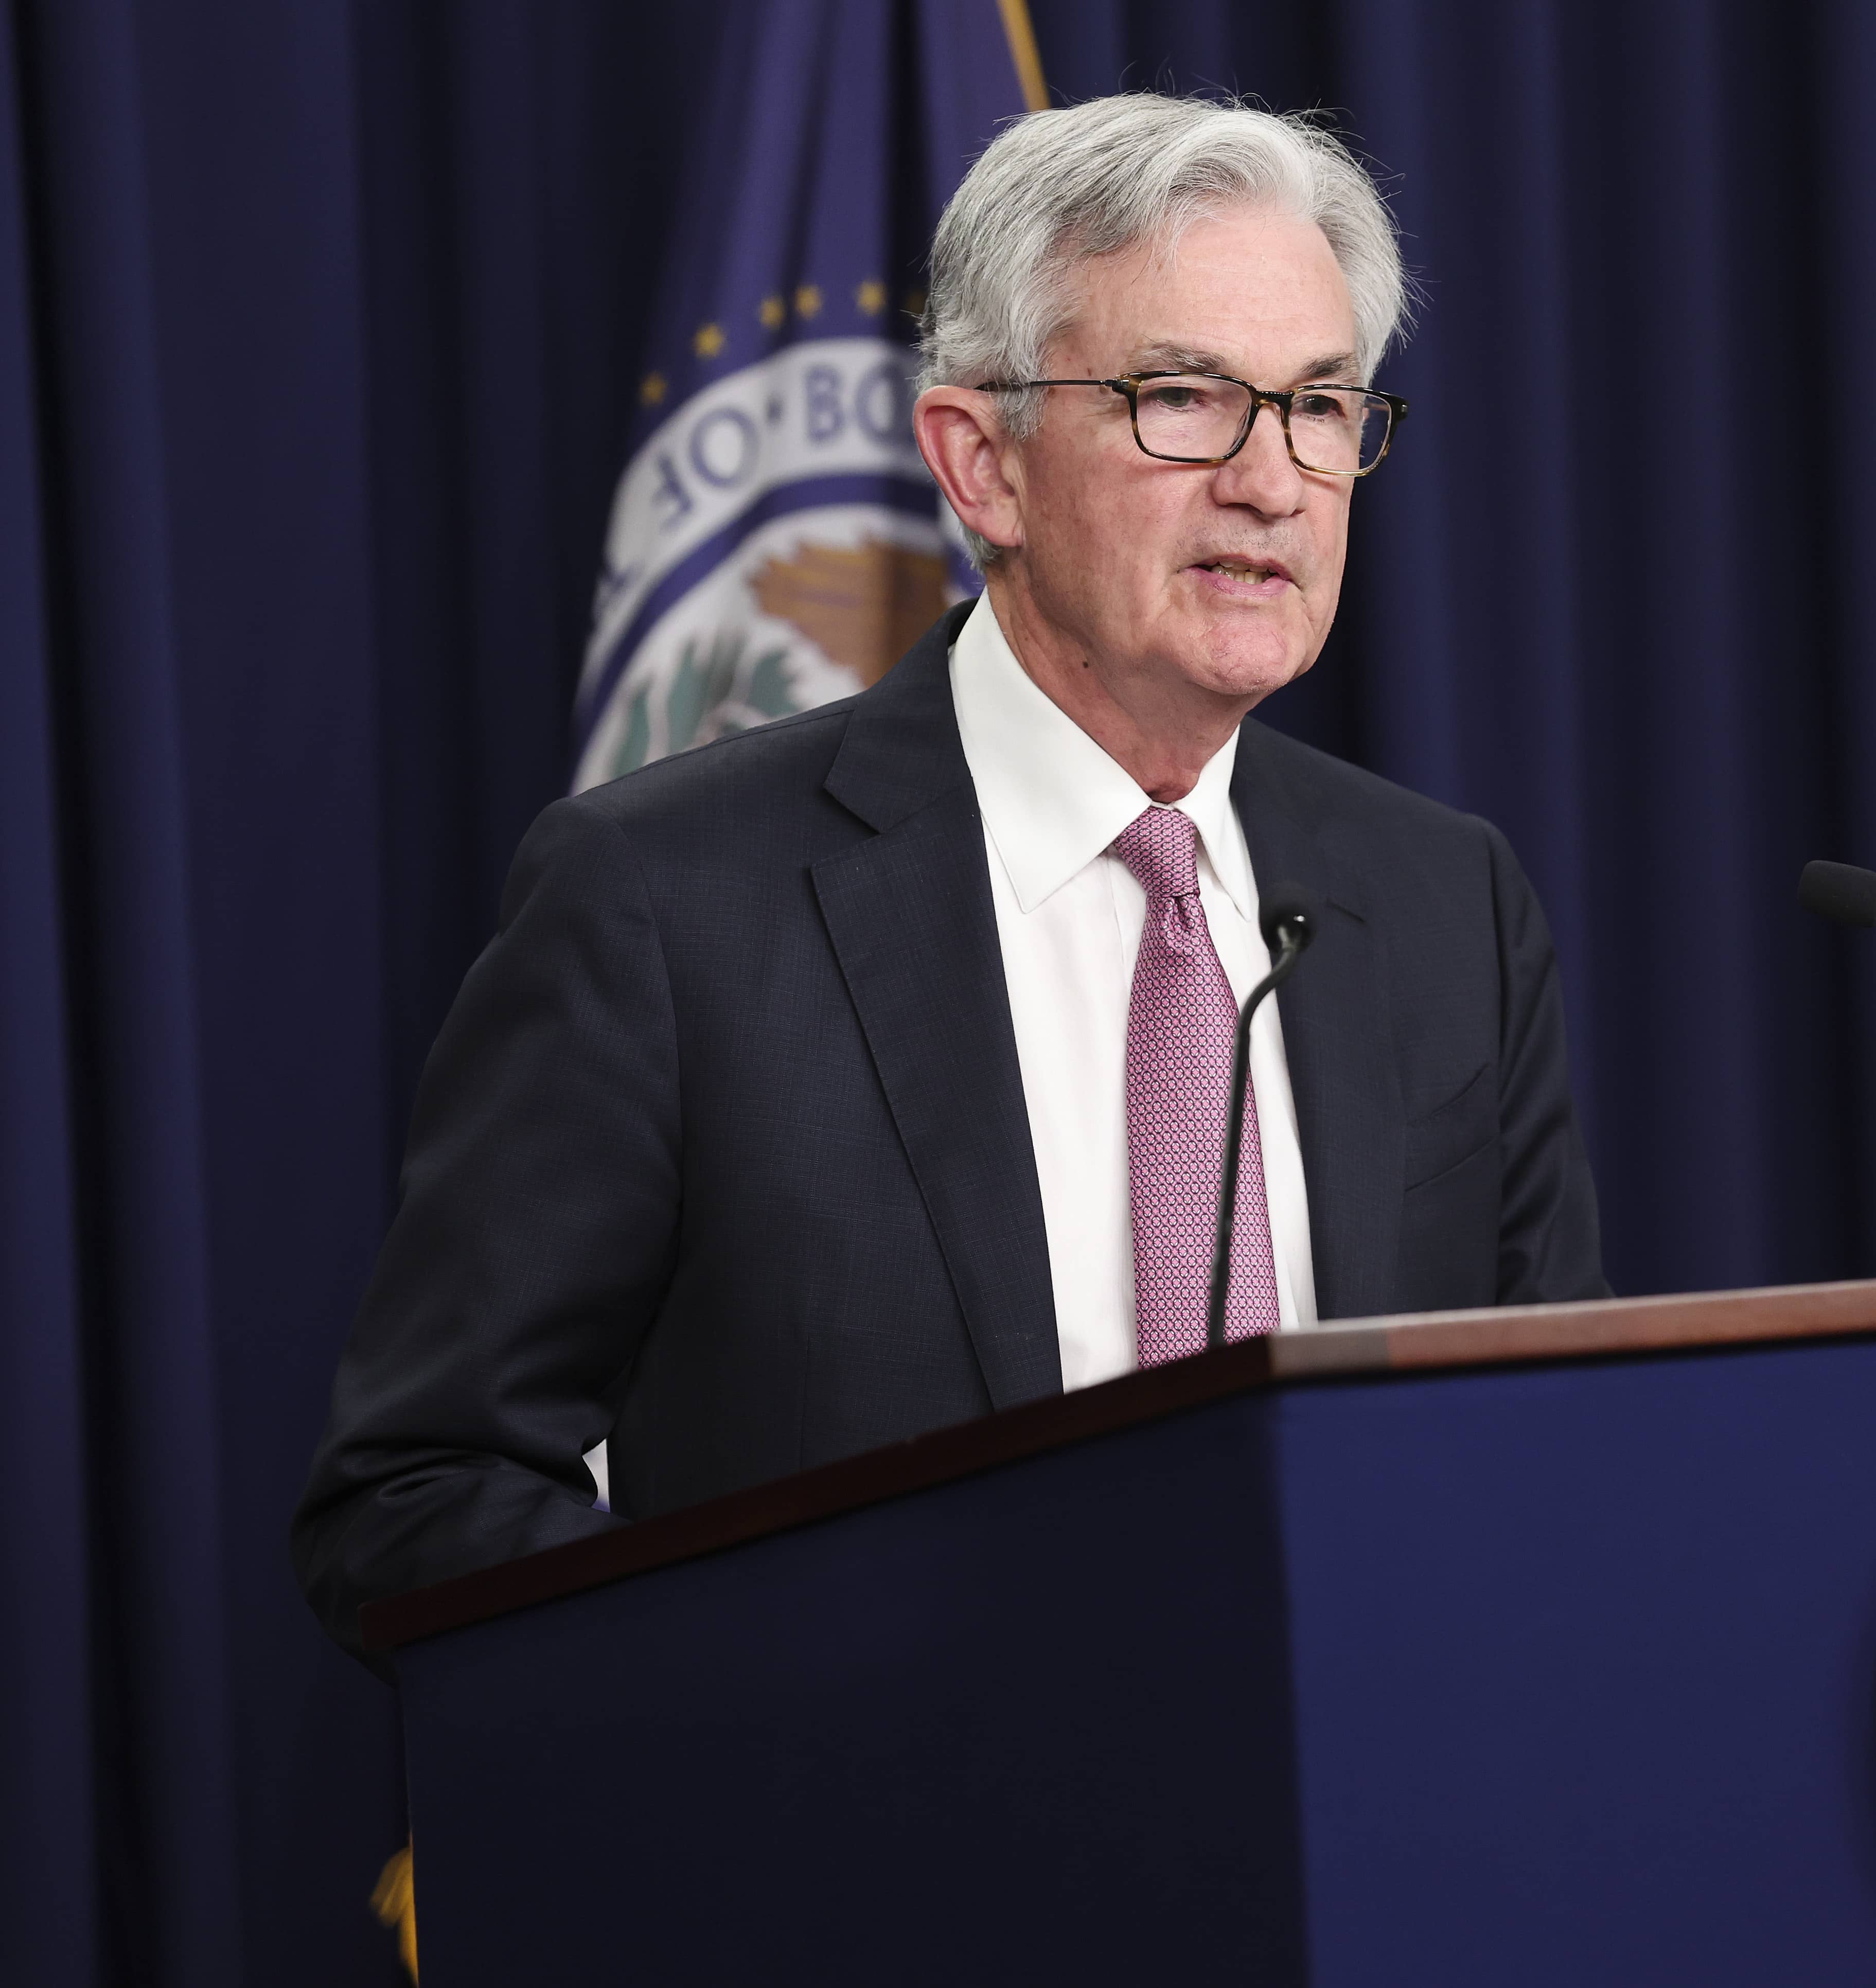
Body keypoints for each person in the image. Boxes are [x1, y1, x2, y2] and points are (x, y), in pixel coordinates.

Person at [293, 94, 1607, 1658]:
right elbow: (415, 1495)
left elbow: (1555, 1458)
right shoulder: (665, 905)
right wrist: (815, 1705)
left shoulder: (1442, 899)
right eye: (1182, 397)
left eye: (1321, 407)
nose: (1272, 480)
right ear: (981, 464)